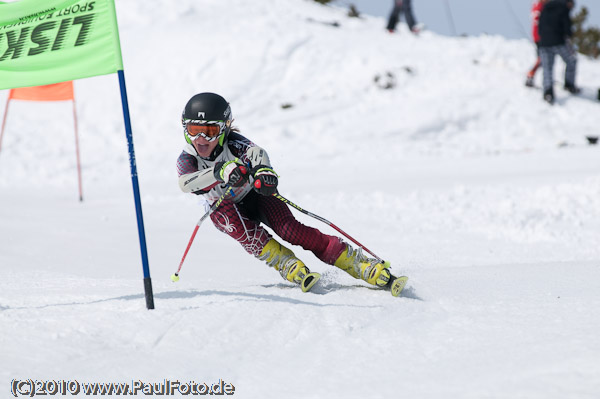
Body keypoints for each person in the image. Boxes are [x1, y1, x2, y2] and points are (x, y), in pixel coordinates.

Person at [176, 92, 400, 294]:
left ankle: (357, 263)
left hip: (253, 196)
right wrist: (221, 171)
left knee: (291, 231)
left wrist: (264, 172)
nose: (201, 139)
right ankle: (284, 262)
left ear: (225, 127)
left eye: (210, 131)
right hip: (224, 207)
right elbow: (186, 183)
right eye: (194, 131)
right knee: (233, 222)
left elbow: (256, 152)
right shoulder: (187, 158)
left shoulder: (233, 143)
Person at [538, 0, 579, 104]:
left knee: (547, 67)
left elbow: (540, 25)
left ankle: (548, 91)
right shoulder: (564, 8)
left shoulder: (545, 7)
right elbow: (567, 27)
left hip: (544, 43)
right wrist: (568, 35)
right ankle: (569, 84)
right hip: (558, 42)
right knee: (571, 60)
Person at [525, 0, 550, 87]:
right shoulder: (540, 7)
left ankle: (532, 75)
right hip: (540, 36)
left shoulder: (537, 5)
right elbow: (538, 20)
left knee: (542, 58)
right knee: (542, 58)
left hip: (539, 36)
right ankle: (530, 75)